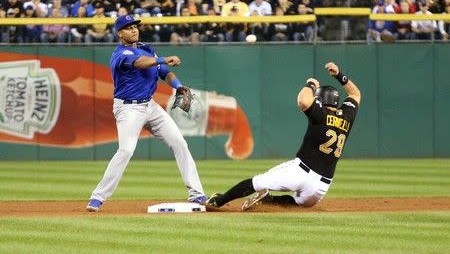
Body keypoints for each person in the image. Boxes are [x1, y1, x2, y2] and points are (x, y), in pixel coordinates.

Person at [86, 15, 207, 212]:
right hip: (128, 108)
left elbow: (164, 72)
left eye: (135, 26)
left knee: (179, 143)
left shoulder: (147, 49)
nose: (133, 30)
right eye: (128, 28)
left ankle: (197, 194)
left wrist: (177, 86)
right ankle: (97, 197)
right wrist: (161, 58)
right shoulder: (120, 54)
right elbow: (141, 63)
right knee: (125, 150)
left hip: (149, 106)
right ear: (120, 33)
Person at [206, 62, 361, 211]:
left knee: (257, 182)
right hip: (320, 187)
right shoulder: (347, 115)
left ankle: (218, 201)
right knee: (298, 203)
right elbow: (355, 93)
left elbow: (303, 101)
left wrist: (310, 85)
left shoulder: (320, 113)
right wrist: (340, 76)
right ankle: (268, 200)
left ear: (320, 100)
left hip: (300, 171)